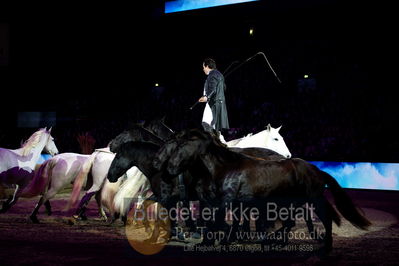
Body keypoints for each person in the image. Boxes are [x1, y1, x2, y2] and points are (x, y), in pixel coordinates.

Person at [198, 58, 229, 133]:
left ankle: (214, 141)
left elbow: (213, 89)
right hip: (217, 102)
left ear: (207, 66)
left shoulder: (213, 74)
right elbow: (224, 88)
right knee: (213, 125)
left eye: (203, 67)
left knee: (206, 122)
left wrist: (206, 97)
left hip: (213, 102)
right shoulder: (219, 74)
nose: (203, 69)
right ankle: (217, 139)